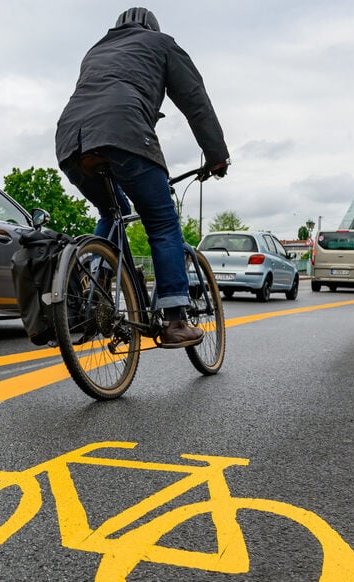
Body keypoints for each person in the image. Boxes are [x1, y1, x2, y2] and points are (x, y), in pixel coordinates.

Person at [55, 7, 230, 348]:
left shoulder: (96, 50)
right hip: (124, 132)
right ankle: (175, 319)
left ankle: (94, 290)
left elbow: (105, 94)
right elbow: (196, 102)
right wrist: (217, 156)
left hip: (70, 139)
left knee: (112, 211)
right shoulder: (161, 44)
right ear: (152, 27)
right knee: (162, 221)